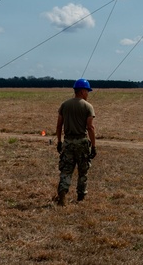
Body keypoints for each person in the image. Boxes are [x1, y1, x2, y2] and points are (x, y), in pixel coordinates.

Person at [54, 78, 97, 206]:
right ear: (83, 91)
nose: (88, 94)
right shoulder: (88, 107)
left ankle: (62, 194)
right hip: (82, 142)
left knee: (66, 170)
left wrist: (59, 142)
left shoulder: (64, 105)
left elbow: (58, 126)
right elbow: (90, 127)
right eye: (87, 91)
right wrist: (93, 146)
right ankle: (81, 197)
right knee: (83, 171)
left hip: (67, 142)